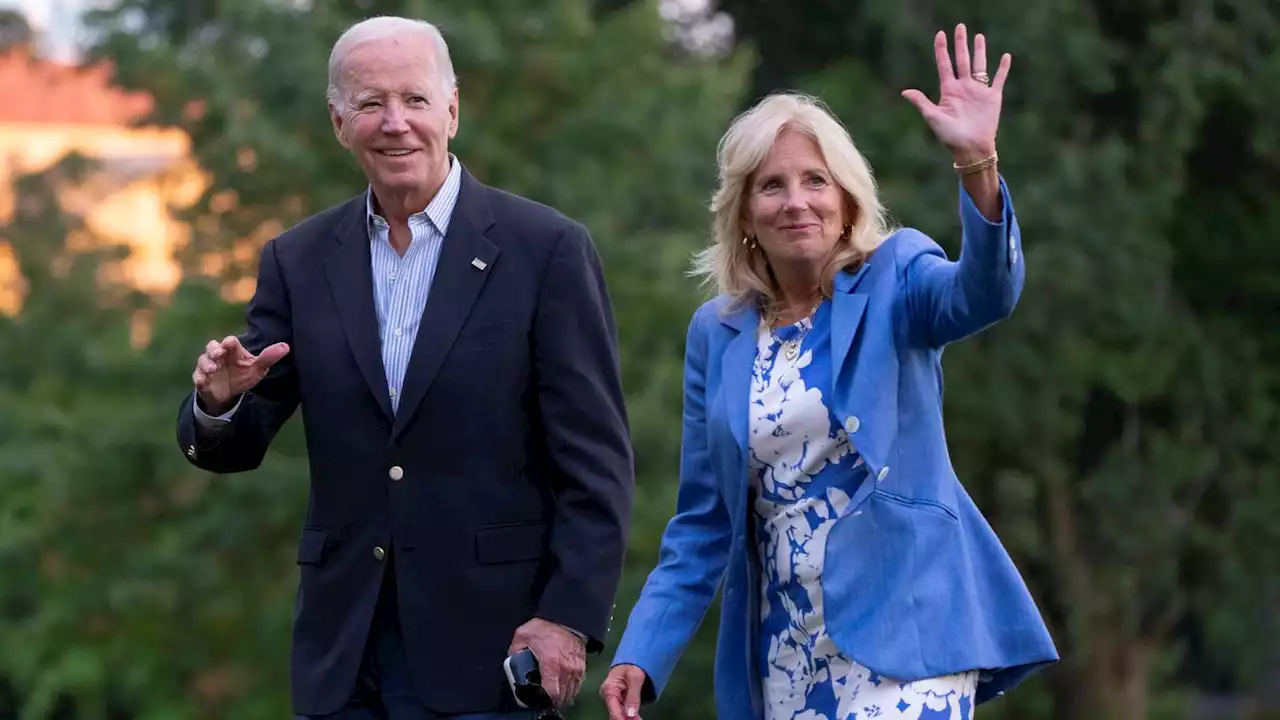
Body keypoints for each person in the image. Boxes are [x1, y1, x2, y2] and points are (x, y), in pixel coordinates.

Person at [177, 15, 634, 720]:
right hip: (344, 652)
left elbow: (597, 465)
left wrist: (567, 618)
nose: (396, 123)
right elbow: (234, 446)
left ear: (452, 110)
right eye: (370, 104)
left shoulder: (545, 250)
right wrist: (216, 404)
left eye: (415, 100)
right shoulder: (297, 261)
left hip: (492, 651)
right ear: (339, 122)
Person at [600, 24, 1058, 720]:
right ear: (746, 215)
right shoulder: (716, 335)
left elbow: (983, 295)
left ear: (846, 203)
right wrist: (642, 650)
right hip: (789, 644)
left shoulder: (896, 277)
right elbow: (702, 524)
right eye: (772, 185)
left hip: (909, 629)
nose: (796, 200)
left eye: (816, 181)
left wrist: (977, 164)